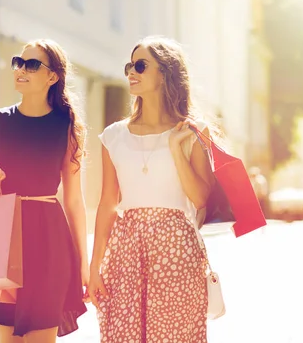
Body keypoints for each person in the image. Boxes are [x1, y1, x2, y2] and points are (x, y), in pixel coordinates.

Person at [88, 36, 216, 342]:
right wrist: (94, 267)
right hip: (125, 252)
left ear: (165, 73)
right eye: (129, 65)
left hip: (177, 251)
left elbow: (200, 199)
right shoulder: (113, 136)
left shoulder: (193, 131)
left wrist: (175, 148)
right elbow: (107, 203)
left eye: (141, 65)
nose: (132, 71)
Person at [0, 39, 88, 343]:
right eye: (18, 63)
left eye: (32, 65)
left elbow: (74, 201)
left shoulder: (69, 126)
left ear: (53, 76)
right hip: (1, 238)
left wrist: (83, 265)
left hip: (49, 241)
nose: (21, 70)